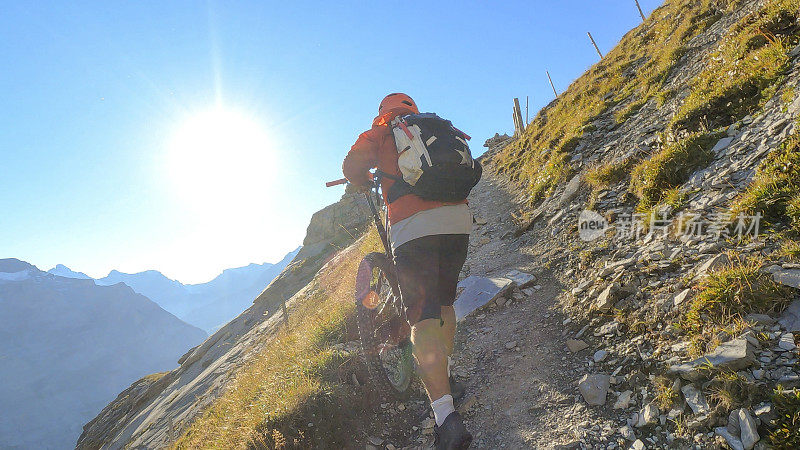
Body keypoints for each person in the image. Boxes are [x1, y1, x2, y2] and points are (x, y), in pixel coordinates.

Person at [342, 93, 473, 450]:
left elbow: (352, 166)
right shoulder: (435, 126)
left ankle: (446, 419)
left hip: (414, 230)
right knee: (444, 303)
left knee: (423, 316)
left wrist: (362, 180)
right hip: (458, 224)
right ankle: (445, 375)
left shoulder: (382, 131)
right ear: (413, 109)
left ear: (382, 112)